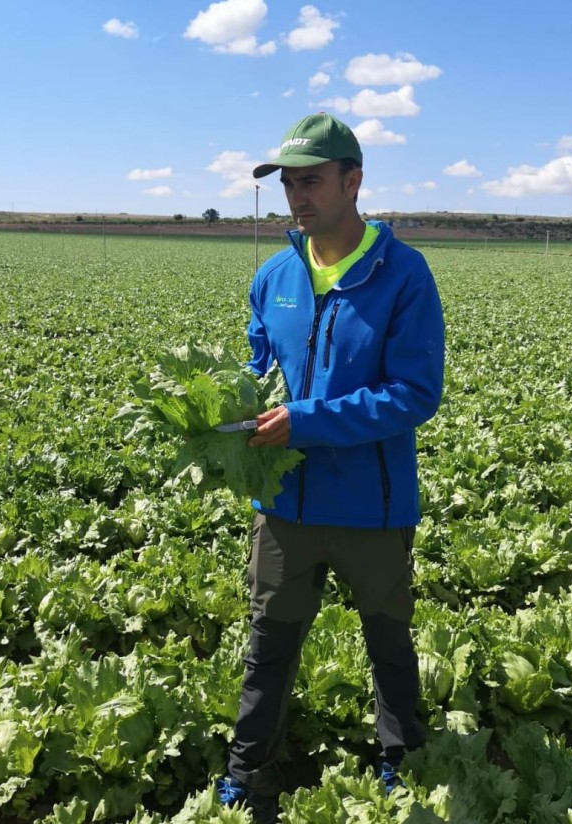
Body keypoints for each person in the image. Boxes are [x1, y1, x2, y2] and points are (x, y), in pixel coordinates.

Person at [215, 112, 445, 822]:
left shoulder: (401, 275)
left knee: (387, 642)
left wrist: (307, 421)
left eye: (310, 180)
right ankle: (248, 770)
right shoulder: (274, 277)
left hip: (369, 507)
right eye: (287, 183)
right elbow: (257, 367)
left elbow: (414, 393)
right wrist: (224, 408)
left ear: (352, 181)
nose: (296, 196)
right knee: (268, 644)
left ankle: (399, 761)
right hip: (282, 505)